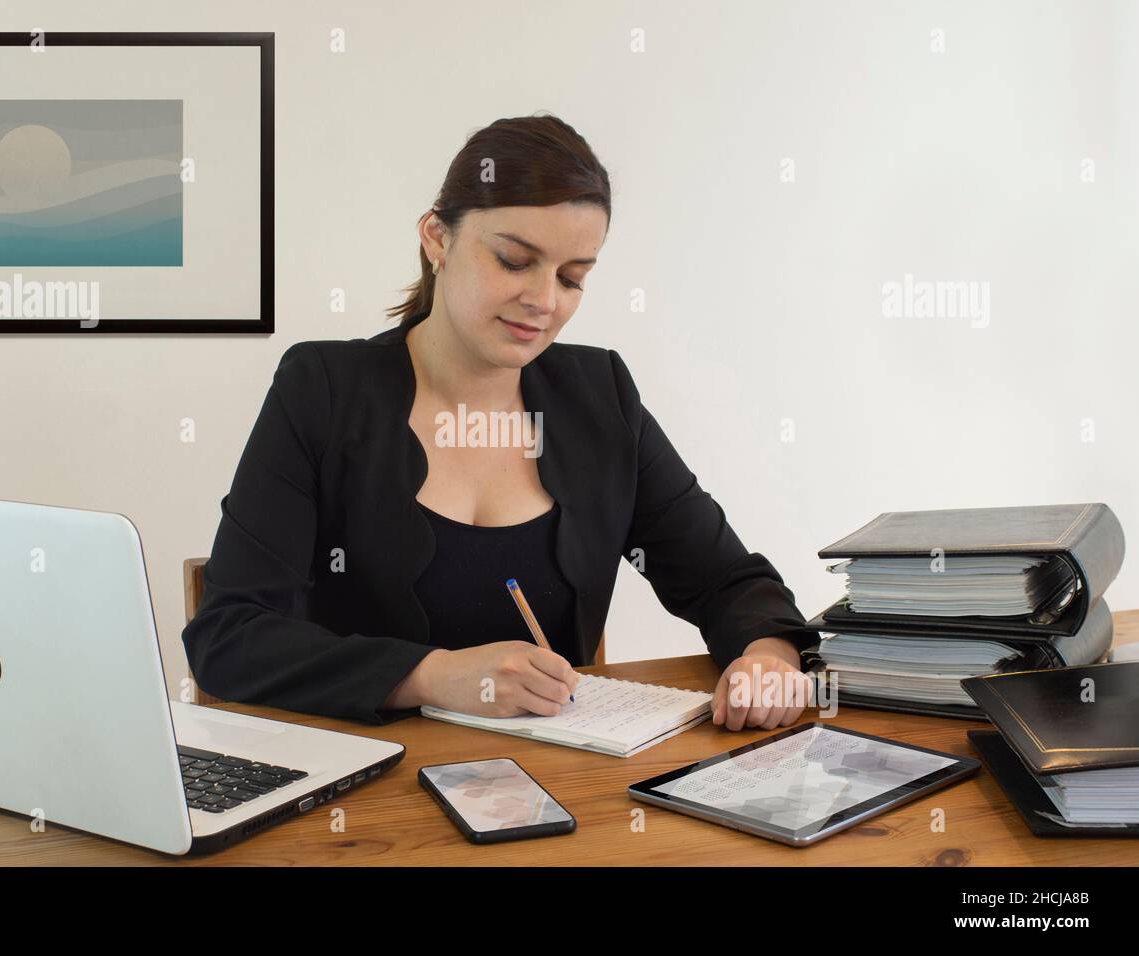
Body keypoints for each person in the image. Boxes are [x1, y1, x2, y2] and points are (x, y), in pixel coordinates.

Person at [182, 113, 817, 732]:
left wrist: (767, 657)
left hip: (557, 789)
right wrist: (431, 676)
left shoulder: (600, 397)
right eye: (515, 260)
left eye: (572, 278)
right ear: (438, 238)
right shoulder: (322, 390)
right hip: (365, 800)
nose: (544, 300)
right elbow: (229, 636)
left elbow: (729, 582)